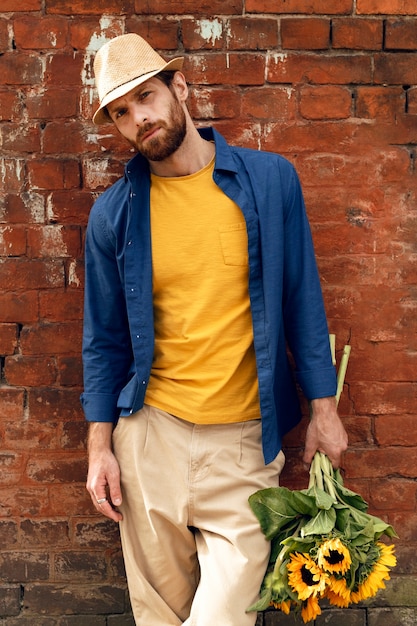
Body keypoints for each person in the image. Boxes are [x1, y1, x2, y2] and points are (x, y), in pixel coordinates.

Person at [82, 33, 348, 626]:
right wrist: (101, 447)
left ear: (179, 87)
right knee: (159, 617)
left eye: (146, 97)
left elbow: (304, 298)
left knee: (225, 616)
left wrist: (324, 409)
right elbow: (103, 340)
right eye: (122, 113)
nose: (139, 119)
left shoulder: (270, 180)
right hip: (151, 440)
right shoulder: (115, 215)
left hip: (247, 446)